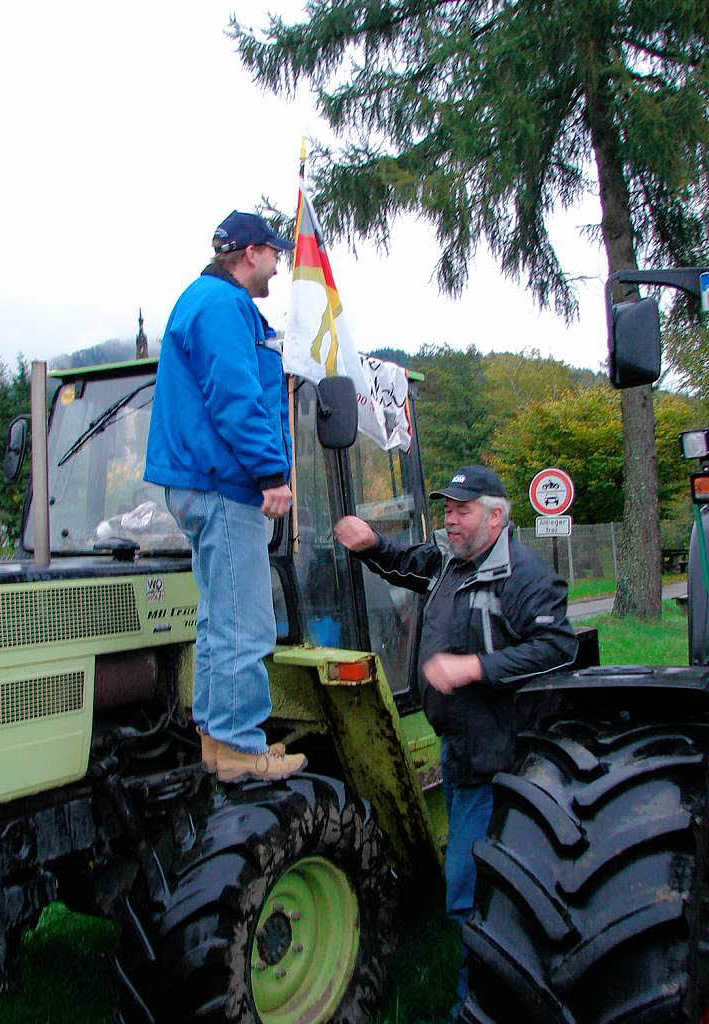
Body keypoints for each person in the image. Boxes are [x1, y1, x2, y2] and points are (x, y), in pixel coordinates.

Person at [334, 465, 577, 1019]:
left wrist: (475, 667)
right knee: (472, 885)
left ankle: (478, 1005)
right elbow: (405, 563)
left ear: (496, 516)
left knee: (477, 890)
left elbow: (558, 649)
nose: (450, 520)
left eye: (461, 510)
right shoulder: (448, 561)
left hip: (507, 754)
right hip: (463, 750)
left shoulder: (526, 577)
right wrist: (373, 543)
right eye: (447, 509)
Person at [144, 210, 306, 784]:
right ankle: (241, 745)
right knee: (247, 624)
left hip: (199, 483)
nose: (279, 264)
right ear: (249, 254)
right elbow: (235, 395)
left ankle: (217, 740)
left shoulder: (205, 302)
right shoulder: (222, 306)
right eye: (274, 253)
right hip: (223, 484)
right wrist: (271, 475)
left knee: (219, 619)